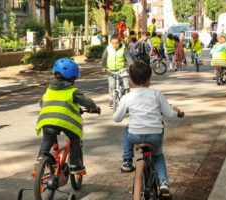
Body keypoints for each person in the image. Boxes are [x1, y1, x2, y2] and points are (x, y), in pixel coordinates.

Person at [113, 61, 184, 195]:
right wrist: (177, 112)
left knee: (128, 128)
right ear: (150, 79)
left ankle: (127, 160)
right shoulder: (157, 94)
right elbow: (169, 113)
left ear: (131, 81)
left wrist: (123, 110)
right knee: (158, 156)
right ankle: (164, 185)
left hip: (135, 136)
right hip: (155, 136)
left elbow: (117, 118)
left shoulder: (127, 97)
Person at [36, 58, 101, 174]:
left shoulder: (49, 89)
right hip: (64, 121)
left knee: (47, 139)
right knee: (75, 137)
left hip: (45, 120)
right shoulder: (72, 90)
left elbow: (42, 102)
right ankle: (75, 164)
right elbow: (86, 101)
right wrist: (93, 107)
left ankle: (41, 157)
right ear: (72, 78)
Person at [102, 34, 134, 108]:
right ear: (110, 43)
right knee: (111, 85)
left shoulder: (123, 49)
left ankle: (127, 98)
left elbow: (128, 58)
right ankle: (111, 100)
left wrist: (131, 65)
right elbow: (104, 58)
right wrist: (104, 66)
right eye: (113, 43)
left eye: (116, 43)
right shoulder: (108, 49)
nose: (114, 45)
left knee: (126, 83)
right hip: (111, 70)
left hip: (122, 68)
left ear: (119, 42)